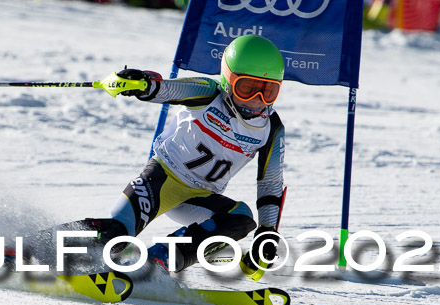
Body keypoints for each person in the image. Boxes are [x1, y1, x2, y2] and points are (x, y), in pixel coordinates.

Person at [21, 35, 286, 278]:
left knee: (242, 217)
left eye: (268, 91)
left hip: (201, 197)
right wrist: (143, 85)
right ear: (228, 81)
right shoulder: (208, 93)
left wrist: (267, 232)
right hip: (162, 179)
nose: (256, 100)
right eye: (247, 88)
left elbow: (270, 184)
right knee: (118, 234)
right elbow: (169, 90)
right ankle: (29, 249)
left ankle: (156, 262)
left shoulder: (270, 129)